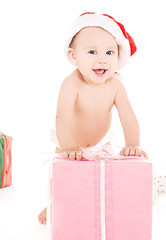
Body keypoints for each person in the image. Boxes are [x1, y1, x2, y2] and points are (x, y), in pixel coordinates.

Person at [38, 12, 148, 224]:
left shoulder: (116, 86)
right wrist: (68, 146)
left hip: (101, 143)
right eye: (92, 52)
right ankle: (54, 206)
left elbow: (128, 117)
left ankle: (98, 206)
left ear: (118, 56)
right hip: (69, 142)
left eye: (109, 52)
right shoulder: (71, 84)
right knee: (61, 181)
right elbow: (62, 118)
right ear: (74, 56)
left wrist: (133, 144)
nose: (102, 59)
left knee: (102, 179)